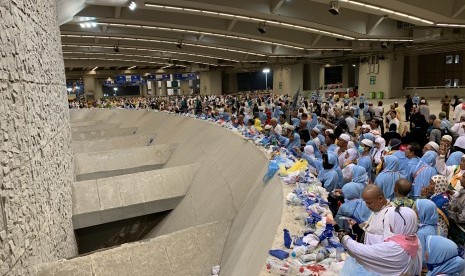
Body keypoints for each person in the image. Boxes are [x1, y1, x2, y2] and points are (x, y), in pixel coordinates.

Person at [340, 207, 422, 276]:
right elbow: (382, 240)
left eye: (393, 222)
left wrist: (345, 239)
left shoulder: (397, 248)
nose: (390, 225)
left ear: (399, 224)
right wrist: (358, 230)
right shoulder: (413, 239)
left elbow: (363, 251)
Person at [416, 199, 441, 268]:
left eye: (418, 210)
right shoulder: (439, 227)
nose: (416, 212)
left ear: (423, 212)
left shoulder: (421, 233)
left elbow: (422, 259)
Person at [449, 174, 465, 246]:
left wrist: (447, 213)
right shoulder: (462, 191)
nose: (460, 179)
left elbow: (462, 218)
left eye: (464, 177)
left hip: (460, 231)